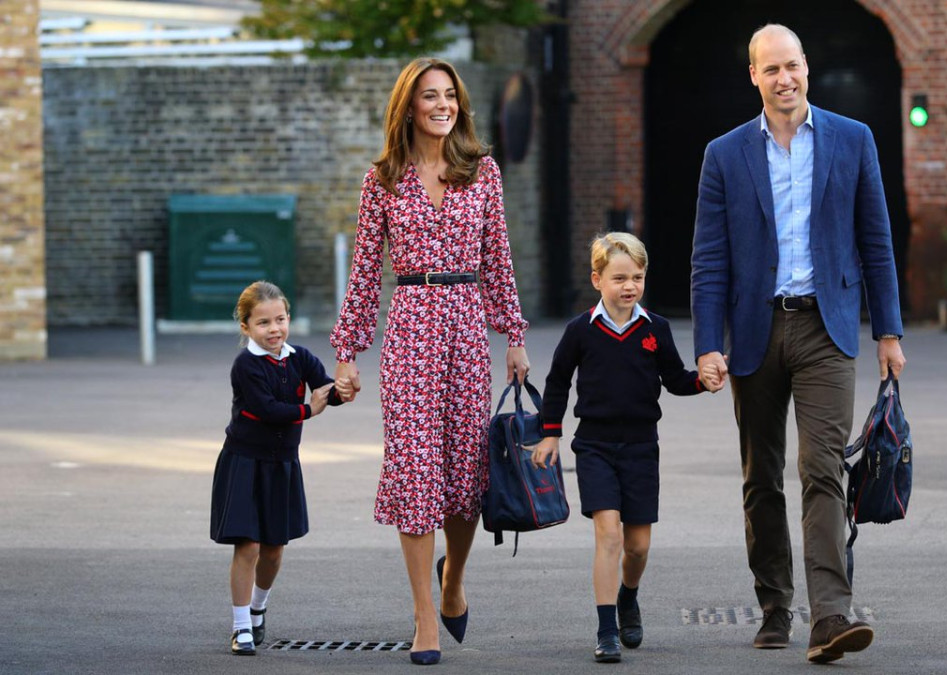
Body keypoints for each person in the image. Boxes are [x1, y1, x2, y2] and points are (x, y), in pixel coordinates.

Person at [690, 23, 907, 664]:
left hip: (826, 328)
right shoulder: (724, 154)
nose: (784, 79)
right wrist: (708, 344)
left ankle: (831, 615)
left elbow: (876, 240)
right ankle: (775, 605)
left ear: (806, 67)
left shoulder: (853, 139)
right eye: (771, 69)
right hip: (754, 331)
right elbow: (709, 260)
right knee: (761, 477)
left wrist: (888, 331)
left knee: (823, 469)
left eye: (792, 66)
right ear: (753, 76)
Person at [329, 57, 530, 666]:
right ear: (409, 107)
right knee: (416, 472)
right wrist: (347, 353)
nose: (443, 105)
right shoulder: (382, 180)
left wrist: (513, 334)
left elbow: (498, 259)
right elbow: (366, 273)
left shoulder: (482, 171)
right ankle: (423, 617)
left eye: (450, 95)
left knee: (465, 477)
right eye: (430, 96)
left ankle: (453, 580)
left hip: (466, 328)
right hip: (410, 330)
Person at [532, 232, 718, 663]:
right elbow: (557, 382)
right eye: (619, 278)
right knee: (609, 534)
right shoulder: (580, 330)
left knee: (637, 547)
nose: (629, 286)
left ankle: (628, 596)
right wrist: (550, 432)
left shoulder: (656, 329)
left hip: (640, 447)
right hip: (594, 446)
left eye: (637, 277)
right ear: (597, 280)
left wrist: (702, 382)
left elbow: (675, 379)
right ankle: (605, 631)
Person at [210, 280, 345, 656]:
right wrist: (309, 410)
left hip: (282, 464)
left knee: (273, 549)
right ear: (246, 326)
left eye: (280, 319)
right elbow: (267, 410)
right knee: (248, 545)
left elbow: (325, 388)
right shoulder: (245, 365)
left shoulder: (300, 357)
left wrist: (342, 390)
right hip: (244, 462)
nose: (274, 329)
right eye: (264, 322)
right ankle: (241, 626)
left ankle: (258, 609)